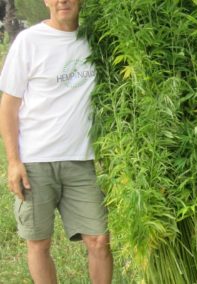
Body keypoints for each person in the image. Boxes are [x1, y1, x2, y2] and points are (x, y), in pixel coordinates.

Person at [0, 0, 113, 283]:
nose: (62, 0)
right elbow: (9, 106)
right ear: (46, 1)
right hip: (35, 161)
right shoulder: (29, 41)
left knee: (99, 240)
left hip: (81, 160)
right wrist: (13, 162)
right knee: (39, 242)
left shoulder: (95, 41)